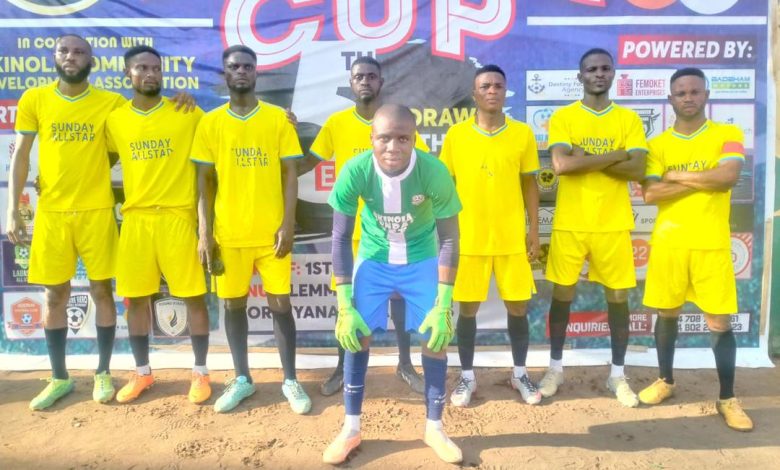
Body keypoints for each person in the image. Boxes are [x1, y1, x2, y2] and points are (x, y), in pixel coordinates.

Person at [322, 104, 463, 465]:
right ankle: (351, 427)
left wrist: (444, 305)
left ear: (414, 138)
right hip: (374, 260)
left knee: (436, 337)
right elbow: (339, 238)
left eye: (403, 138)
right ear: (371, 139)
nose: (393, 146)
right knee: (357, 335)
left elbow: (449, 239)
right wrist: (344, 306)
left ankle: (435, 427)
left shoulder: (434, 171)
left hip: (420, 260)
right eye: (384, 137)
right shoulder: (355, 170)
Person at [297, 56, 429, 396]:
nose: (366, 81)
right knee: (348, 304)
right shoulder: (337, 124)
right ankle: (343, 368)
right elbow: (306, 163)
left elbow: (425, 168)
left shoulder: (397, 125)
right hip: (351, 236)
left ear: (381, 81)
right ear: (351, 83)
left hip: (397, 234)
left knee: (399, 299)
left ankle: (404, 364)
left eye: (372, 76)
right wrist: (279, 134)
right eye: (359, 77)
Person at [8, 34, 126, 410]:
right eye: (64, 51)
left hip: (96, 211)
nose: (71, 57)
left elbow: (143, 128)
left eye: (79, 52)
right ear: (54, 57)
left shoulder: (111, 103)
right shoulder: (35, 99)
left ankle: (103, 372)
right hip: (53, 214)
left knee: (102, 291)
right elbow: (21, 155)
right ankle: (59, 377)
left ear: (92, 60)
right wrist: (13, 208)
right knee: (54, 295)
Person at [191, 45, 311, 414]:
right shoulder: (210, 123)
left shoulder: (277, 119)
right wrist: (204, 232)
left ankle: (290, 380)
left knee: (280, 304)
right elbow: (203, 182)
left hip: (271, 234)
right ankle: (242, 378)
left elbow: (291, 172)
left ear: (256, 72)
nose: (240, 71)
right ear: (225, 74)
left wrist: (288, 223)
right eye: (233, 67)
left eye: (246, 66)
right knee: (232, 305)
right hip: (229, 235)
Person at [638, 67, 753, 431]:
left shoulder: (728, 134)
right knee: (666, 314)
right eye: (680, 93)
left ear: (706, 95)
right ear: (670, 99)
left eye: (694, 91)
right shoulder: (657, 145)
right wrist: (706, 179)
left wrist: (678, 176)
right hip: (670, 243)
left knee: (719, 323)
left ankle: (727, 398)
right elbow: (652, 193)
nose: (688, 97)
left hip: (711, 244)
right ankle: (666, 381)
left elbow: (729, 177)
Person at [540, 48, 648, 407]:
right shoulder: (564, 116)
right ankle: (555, 368)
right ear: (580, 76)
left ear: (614, 73)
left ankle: (617, 374)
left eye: (605, 68)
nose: (598, 74)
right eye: (591, 69)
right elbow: (562, 165)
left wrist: (586, 158)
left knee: (618, 298)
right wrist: (617, 154)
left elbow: (638, 171)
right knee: (562, 295)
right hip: (571, 223)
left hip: (613, 224)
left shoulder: (629, 119)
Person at [106, 46, 210, 404]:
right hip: (135, 220)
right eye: (141, 69)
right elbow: (92, 161)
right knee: (135, 301)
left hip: (177, 217)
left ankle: (200, 374)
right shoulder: (115, 120)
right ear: (127, 75)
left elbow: (225, 130)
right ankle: (142, 374)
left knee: (194, 298)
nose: (150, 74)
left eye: (155, 68)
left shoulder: (186, 111)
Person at [440, 64, 541, 407]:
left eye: (498, 85)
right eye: (485, 86)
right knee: (467, 310)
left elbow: (530, 182)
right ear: (475, 94)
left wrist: (534, 229)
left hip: (512, 238)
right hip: (469, 240)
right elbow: (444, 187)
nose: (492, 90)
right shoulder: (456, 136)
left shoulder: (522, 133)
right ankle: (467, 377)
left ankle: (519, 373)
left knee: (518, 307)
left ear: (506, 91)